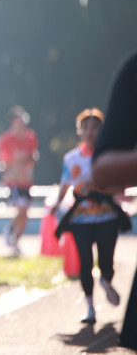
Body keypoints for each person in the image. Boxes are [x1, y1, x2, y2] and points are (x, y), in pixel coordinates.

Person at [51, 108, 129, 324]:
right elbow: (65, 185)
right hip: (80, 219)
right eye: (86, 127)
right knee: (85, 262)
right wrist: (56, 204)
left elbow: (120, 188)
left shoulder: (108, 157)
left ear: (101, 131)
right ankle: (90, 308)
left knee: (106, 262)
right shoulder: (71, 159)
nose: (90, 132)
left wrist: (98, 189)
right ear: (80, 131)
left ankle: (106, 281)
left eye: (95, 128)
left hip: (106, 217)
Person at [92, 51, 137, 350]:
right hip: (88, 214)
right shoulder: (134, 70)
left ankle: (105, 279)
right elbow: (102, 170)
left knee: (106, 257)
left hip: (110, 213)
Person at [0, 105, 39, 252]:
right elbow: (0, 159)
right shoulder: (7, 139)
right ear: (13, 122)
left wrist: (28, 159)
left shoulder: (30, 136)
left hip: (26, 181)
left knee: (25, 215)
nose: (22, 123)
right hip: (13, 181)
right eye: (19, 120)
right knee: (22, 208)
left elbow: (34, 156)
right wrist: (12, 164)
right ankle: (10, 230)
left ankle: (16, 241)